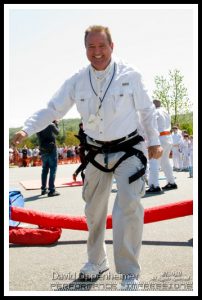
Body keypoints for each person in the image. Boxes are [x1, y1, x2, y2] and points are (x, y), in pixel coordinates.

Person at [12, 25, 163, 289]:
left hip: (129, 149)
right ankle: (96, 261)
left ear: (112, 46)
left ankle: (129, 273)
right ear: (85, 50)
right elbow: (53, 108)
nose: (97, 52)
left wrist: (155, 142)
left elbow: (147, 111)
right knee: (93, 211)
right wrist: (27, 128)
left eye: (102, 46)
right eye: (91, 47)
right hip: (95, 151)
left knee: (128, 206)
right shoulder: (78, 80)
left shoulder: (131, 75)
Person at [146, 99, 178, 193]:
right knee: (165, 161)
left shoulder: (155, 111)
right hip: (168, 137)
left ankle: (154, 185)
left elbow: (151, 126)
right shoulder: (165, 111)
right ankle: (171, 182)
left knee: (154, 161)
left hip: (160, 138)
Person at [36, 120, 60, 197]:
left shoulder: (38, 125)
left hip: (43, 150)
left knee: (44, 170)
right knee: (53, 169)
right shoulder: (51, 124)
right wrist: (56, 124)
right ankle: (51, 190)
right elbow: (57, 132)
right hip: (52, 149)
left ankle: (43, 189)